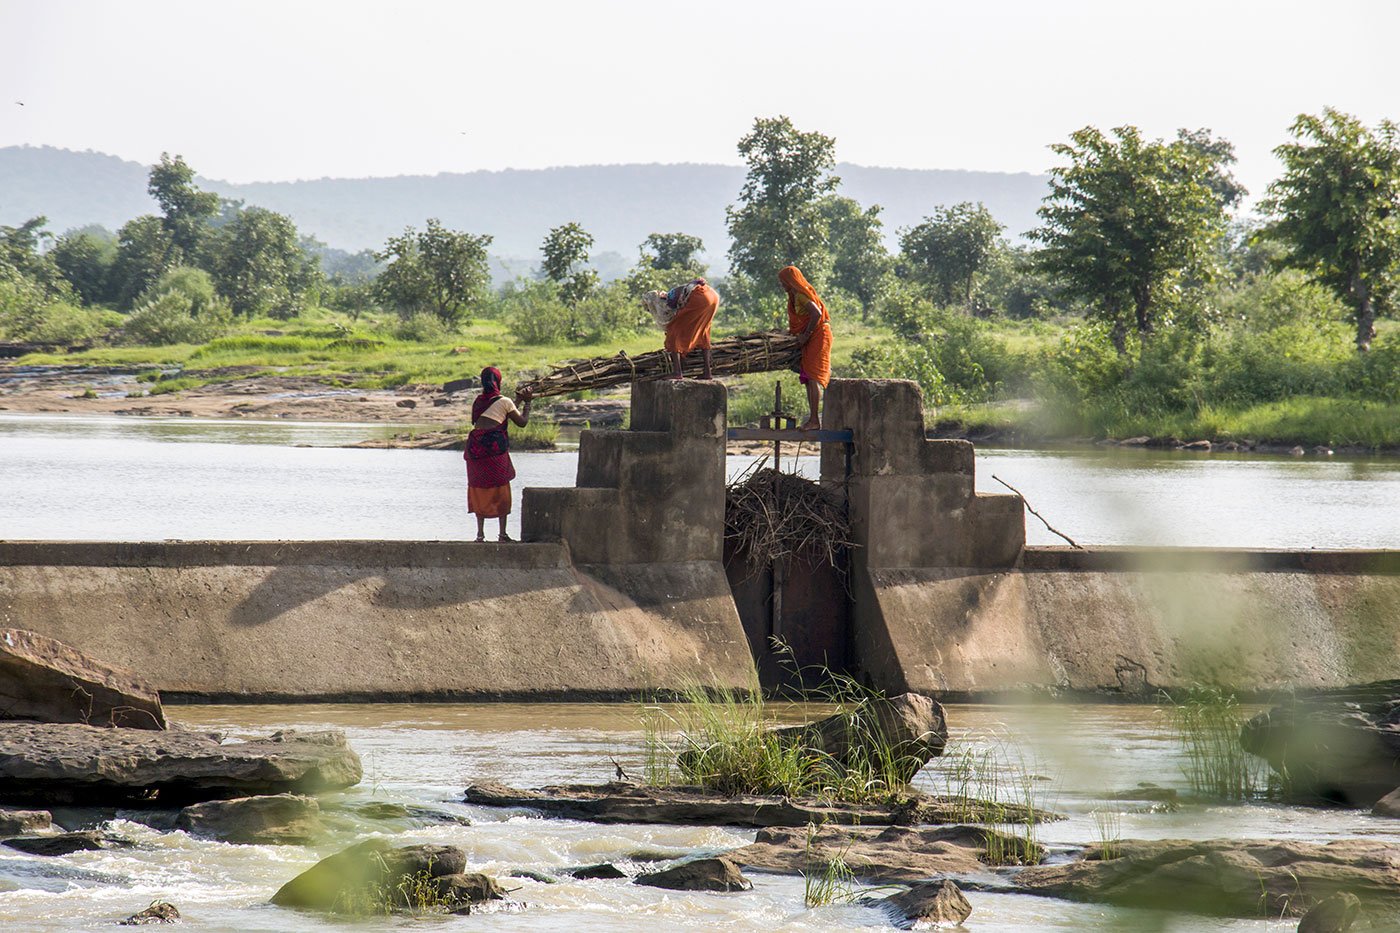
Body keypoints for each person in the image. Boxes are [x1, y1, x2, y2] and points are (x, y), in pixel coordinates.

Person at [465, 366, 531, 542]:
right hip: (494, 452)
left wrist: (516, 401)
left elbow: (500, 415)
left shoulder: (479, 401)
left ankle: (480, 534)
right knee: (501, 487)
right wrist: (528, 403)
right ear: (498, 381)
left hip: (475, 451)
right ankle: (502, 534)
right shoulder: (505, 401)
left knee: (479, 488)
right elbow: (522, 422)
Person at [779, 265, 832, 430]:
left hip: (818, 336)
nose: (782, 285)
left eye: (783, 282)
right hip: (812, 336)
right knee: (808, 377)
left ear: (790, 281)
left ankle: (815, 420)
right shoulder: (794, 296)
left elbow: (816, 314)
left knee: (812, 376)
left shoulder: (801, 295)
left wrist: (806, 335)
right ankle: (813, 419)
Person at [662, 278, 720, 380]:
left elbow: (676, 311)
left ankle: (677, 372)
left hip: (701, 297)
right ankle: (707, 372)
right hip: (714, 297)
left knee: (673, 329)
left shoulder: (671, 297)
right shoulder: (682, 290)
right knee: (703, 331)